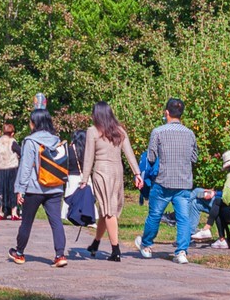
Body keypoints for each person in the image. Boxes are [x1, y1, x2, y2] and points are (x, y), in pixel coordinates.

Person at [135, 98, 198, 264]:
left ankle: (147, 245)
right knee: (183, 218)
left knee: (155, 214)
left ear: (166, 112)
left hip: (163, 180)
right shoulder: (190, 133)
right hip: (184, 182)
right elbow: (194, 158)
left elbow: (151, 157)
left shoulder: (158, 132)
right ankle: (182, 251)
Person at [79, 102, 143, 261]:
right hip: (117, 171)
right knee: (106, 209)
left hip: (101, 172)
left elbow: (89, 157)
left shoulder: (92, 131)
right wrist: (137, 173)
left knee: (109, 211)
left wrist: (84, 179)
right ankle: (96, 243)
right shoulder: (119, 131)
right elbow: (129, 153)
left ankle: (116, 250)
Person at [9, 108, 68, 268]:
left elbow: (26, 167)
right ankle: (60, 255)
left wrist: (20, 189)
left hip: (34, 189)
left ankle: (19, 253)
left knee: (27, 222)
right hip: (55, 188)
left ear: (35, 123)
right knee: (56, 222)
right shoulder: (57, 140)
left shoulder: (31, 141)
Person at [191, 143, 230, 239]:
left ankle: (178, 213)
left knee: (201, 195)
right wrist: (215, 193)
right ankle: (189, 234)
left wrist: (215, 193)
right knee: (196, 201)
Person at [0, 123, 21, 220]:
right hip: (11, 169)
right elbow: (21, 153)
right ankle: (14, 212)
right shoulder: (12, 142)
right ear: (12, 133)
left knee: (0, 191)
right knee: (12, 190)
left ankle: (0, 212)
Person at [64, 128, 86, 200]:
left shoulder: (69, 149)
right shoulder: (88, 150)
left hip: (72, 178)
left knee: (71, 202)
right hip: (85, 178)